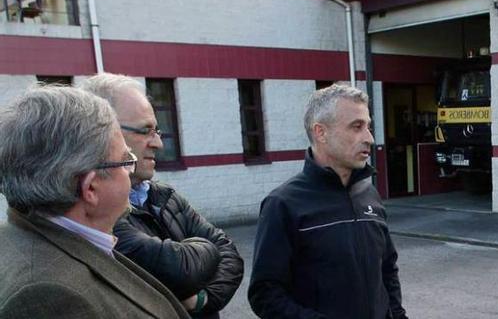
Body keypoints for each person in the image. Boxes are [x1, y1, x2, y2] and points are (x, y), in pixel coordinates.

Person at [0, 86, 189, 319]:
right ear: (90, 188)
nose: (131, 171)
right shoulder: (49, 297)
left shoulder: (25, 237)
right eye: (126, 160)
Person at [80, 73, 244, 318]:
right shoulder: (95, 212)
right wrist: (206, 253)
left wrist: (201, 300)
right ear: (104, 132)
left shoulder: (164, 196)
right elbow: (181, 270)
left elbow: (230, 254)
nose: (158, 143)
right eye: (145, 131)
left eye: (156, 130)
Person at [249, 84, 407, 319]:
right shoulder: (283, 205)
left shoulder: (369, 194)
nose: (370, 138)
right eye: (357, 127)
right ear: (320, 132)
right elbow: (265, 295)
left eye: (368, 127)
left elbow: (387, 270)